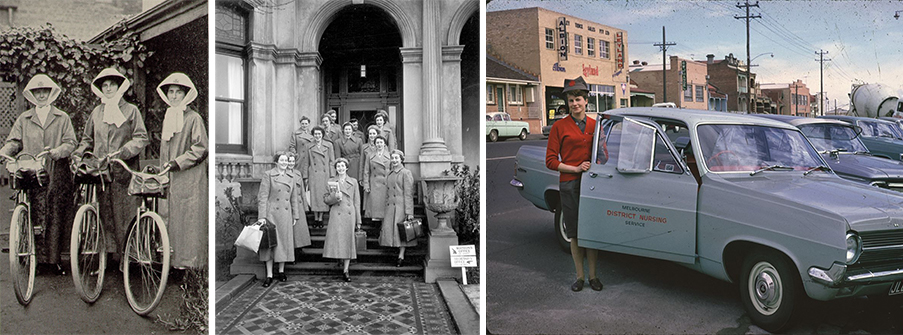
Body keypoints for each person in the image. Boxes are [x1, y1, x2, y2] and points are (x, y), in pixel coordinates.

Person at [0, 74, 77, 274]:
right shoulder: (24, 119)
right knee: (34, 211)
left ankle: (54, 260)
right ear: (32, 95)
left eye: (45, 91)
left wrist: (57, 152)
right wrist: (5, 151)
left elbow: (71, 143)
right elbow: (15, 141)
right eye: (37, 92)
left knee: (55, 214)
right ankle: (36, 258)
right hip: (32, 172)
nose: (41, 95)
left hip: (56, 172)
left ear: (51, 93)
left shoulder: (62, 118)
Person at [74, 67, 149, 265]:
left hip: (123, 171)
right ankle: (105, 258)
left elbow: (141, 137)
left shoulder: (131, 110)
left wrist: (124, 151)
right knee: (103, 214)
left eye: (112, 85)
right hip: (100, 173)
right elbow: (87, 139)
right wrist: (79, 153)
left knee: (124, 215)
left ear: (119, 86)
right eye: (104, 85)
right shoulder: (97, 112)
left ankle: (128, 258)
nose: (108, 89)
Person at [545, 76, 602, 292]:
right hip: (569, 184)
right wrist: (575, 168)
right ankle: (579, 277)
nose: (575, 104)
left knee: (592, 231)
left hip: (592, 185)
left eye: (578, 99)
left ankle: (594, 277)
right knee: (575, 233)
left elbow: (603, 154)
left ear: (586, 101)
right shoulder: (559, 127)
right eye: (570, 100)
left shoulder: (596, 126)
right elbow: (551, 161)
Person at [156, 72, 208, 270]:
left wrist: (177, 162)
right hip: (171, 176)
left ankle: (190, 267)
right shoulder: (169, 116)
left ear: (186, 95)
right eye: (171, 91)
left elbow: (201, 147)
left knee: (189, 222)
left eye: (179, 92)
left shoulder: (193, 118)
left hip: (190, 178)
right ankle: (173, 263)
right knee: (171, 220)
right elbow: (164, 149)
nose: (174, 96)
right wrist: (164, 169)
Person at [256, 152, 305, 287]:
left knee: (283, 242)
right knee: (270, 244)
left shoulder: (291, 177)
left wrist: (295, 215)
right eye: (281, 160)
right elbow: (263, 197)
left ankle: (282, 271)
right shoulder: (268, 175)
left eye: (286, 160)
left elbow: (294, 198)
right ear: (276, 162)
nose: (284, 162)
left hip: (285, 214)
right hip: (271, 214)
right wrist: (262, 217)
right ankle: (269, 274)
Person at [321, 158, 361, 282]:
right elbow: (326, 200)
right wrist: (335, 197)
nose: (341, 168)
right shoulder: (331, 181)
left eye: (343, 166)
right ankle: (339, 261)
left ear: (347, 167)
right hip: (336, 214)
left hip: (349, 214)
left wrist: (358, 220)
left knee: (348, 242)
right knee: (338, 240)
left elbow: (356, 202)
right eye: (338, 166)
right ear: (336, 168)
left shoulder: (353, 182)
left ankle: (346, 270)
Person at [380, 149, 416, 267]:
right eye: (393, 158)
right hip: (390, 207)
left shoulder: (406, 173)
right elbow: (386, 193)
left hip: (401, 206)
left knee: (402, 231)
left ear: (401, 159)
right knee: (392, 230)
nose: (394, 160)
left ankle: (401, 255)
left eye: (397, 158)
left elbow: (409, 193)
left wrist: (409, 211)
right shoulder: (389, 174)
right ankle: (394, 251)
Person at [303, 126, 335, 227]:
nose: (317, 136)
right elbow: (306, 162)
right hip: (313, 173)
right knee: (314, 196)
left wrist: (332, 175)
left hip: (325, 174)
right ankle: (315, 218)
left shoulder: (329, 145)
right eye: (315, 134)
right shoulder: (309, 146)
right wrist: (306, 176)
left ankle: (320, 218)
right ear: (313, 135)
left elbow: (331, 161)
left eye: (319, 134)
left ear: (322, 135)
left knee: (323, 195)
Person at [362, 136, 390, 223]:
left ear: (384, 144)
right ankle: (376, 226)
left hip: (386, 183)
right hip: (374, 183)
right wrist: (366, 184)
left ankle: (383, 226)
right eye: (377, 142)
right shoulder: (370, 155)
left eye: (381, 142)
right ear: (374, 144)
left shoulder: (389, 155)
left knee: (384, 207)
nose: (379, 144)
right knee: (375, 206)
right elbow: (366, 171)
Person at [359, 126, 379, 219]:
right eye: (370, 134)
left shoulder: (381, 145)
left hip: (379, 177)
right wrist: (361, 178)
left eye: (374, 133)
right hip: (369, 175)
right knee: (369, 198)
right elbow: (362, 164)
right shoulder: (364, 147)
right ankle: (369, 217)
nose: (372, 136)